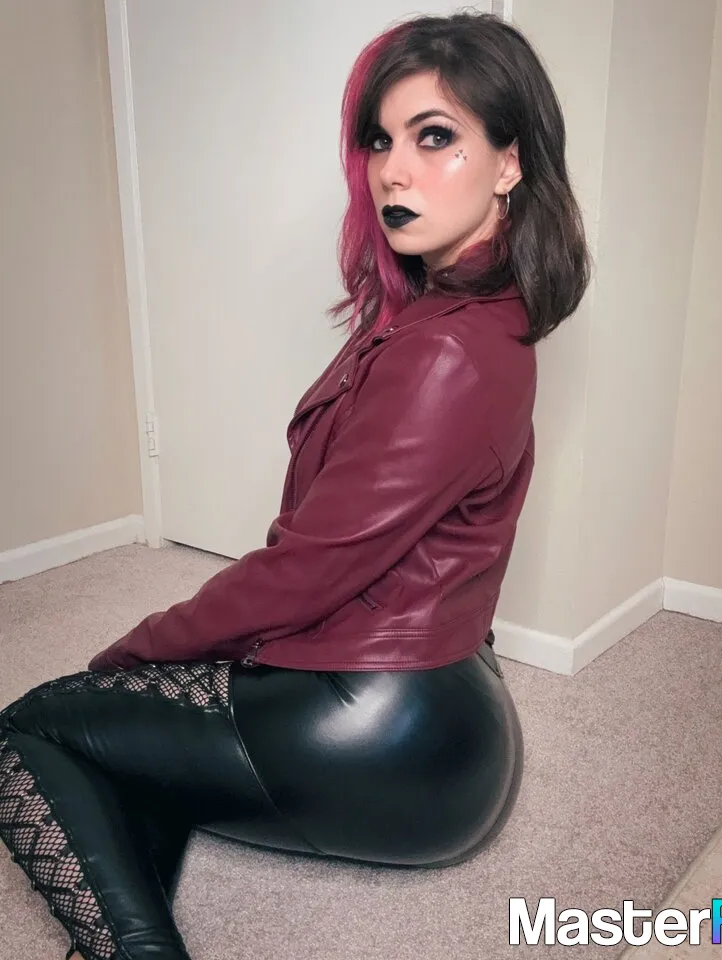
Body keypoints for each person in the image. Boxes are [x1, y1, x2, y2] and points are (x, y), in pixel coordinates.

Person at [0, 11, 590, 960]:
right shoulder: (468, 313)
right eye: (381, 141)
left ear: (509, 161)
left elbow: (301, 574)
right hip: (442, 716)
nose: (393, 171)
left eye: (434, 137)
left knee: (29, 727)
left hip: (378, 741)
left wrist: (132, 650)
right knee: (122, 747)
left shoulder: (445, 352)